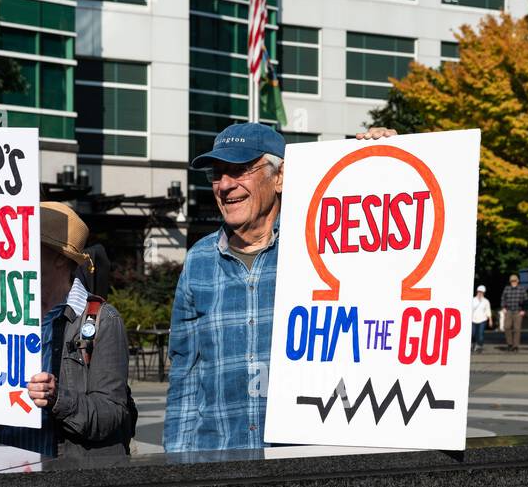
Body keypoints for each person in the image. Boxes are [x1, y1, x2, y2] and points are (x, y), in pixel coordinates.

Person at [164, 122, 396, 452]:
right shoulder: (198, 260)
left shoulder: (324, 249)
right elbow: (185, 375)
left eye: (240, 169)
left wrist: (387, 157)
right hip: (219, 467)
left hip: (303, 464)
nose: (226, 185)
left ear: (280, 177)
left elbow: (387, 266)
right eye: (218, 173)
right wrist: (178, 468)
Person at [0, 201, 135, 458]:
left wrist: (58, 399)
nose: (12, 253)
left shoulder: (102, 320)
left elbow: (112, 413)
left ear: (59, 257)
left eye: (25, 245)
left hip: (61, 482)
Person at [500, 274, 526, 352]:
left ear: (517, 281)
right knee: (506, 327)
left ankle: (515, 346)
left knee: (517, 329)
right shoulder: (507, 288)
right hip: (509, 311)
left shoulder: (522, 289)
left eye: (514, 281)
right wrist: (503, 307)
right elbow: (503, 298)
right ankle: (509, 344)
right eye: (512, 281)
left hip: (518, 311)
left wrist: (523, 310)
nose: (513, 282)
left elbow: (526, 300)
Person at [471, 285, 492, 354]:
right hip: (473, 319)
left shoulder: (486, 301)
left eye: (482, 292)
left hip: (482, 320)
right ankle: (473, 344)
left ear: (484, 293)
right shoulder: (472, 300)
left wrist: (490, 320)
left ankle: (479, 346)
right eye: (479, 292)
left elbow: (488, 311)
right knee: (473, 334)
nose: (480, 293)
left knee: (480, 334)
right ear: (477, 292)